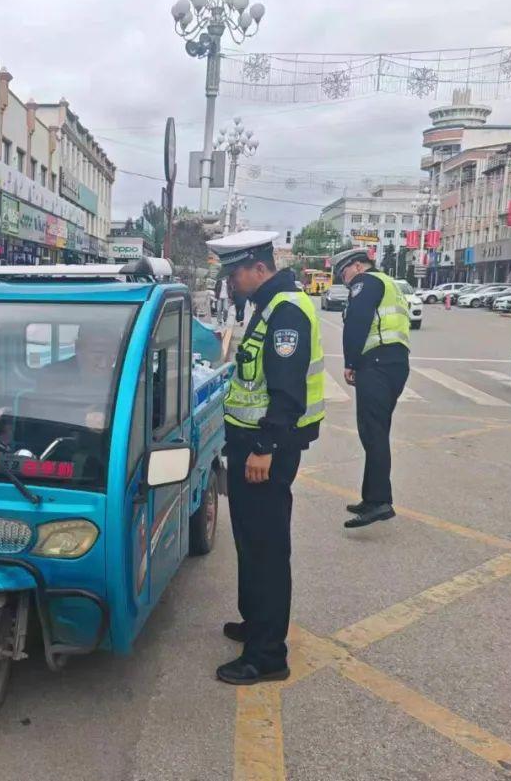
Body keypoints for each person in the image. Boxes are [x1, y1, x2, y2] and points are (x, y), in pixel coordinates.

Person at [206, 235, 324, 686]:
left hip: (266, 450)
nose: (231, 282)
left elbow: (287, 392)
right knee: (250, 541)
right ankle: (256, 622)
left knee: (267, 549)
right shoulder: (267, 305)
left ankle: (268, 654)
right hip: (249, 445)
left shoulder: (286, 311)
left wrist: (265, 448)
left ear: (258, 267)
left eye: (235, 273)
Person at [333, 247, 410, 529]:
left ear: (357, 266)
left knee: (373, 432)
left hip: (376, 364)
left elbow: (358, 322)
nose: (345, 280)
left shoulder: (366, 282)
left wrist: (350, 362)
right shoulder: (388, 282)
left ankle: (379, 502)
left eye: (344, 273)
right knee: (375, 431)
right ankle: (372, 497)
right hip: (394, 363)